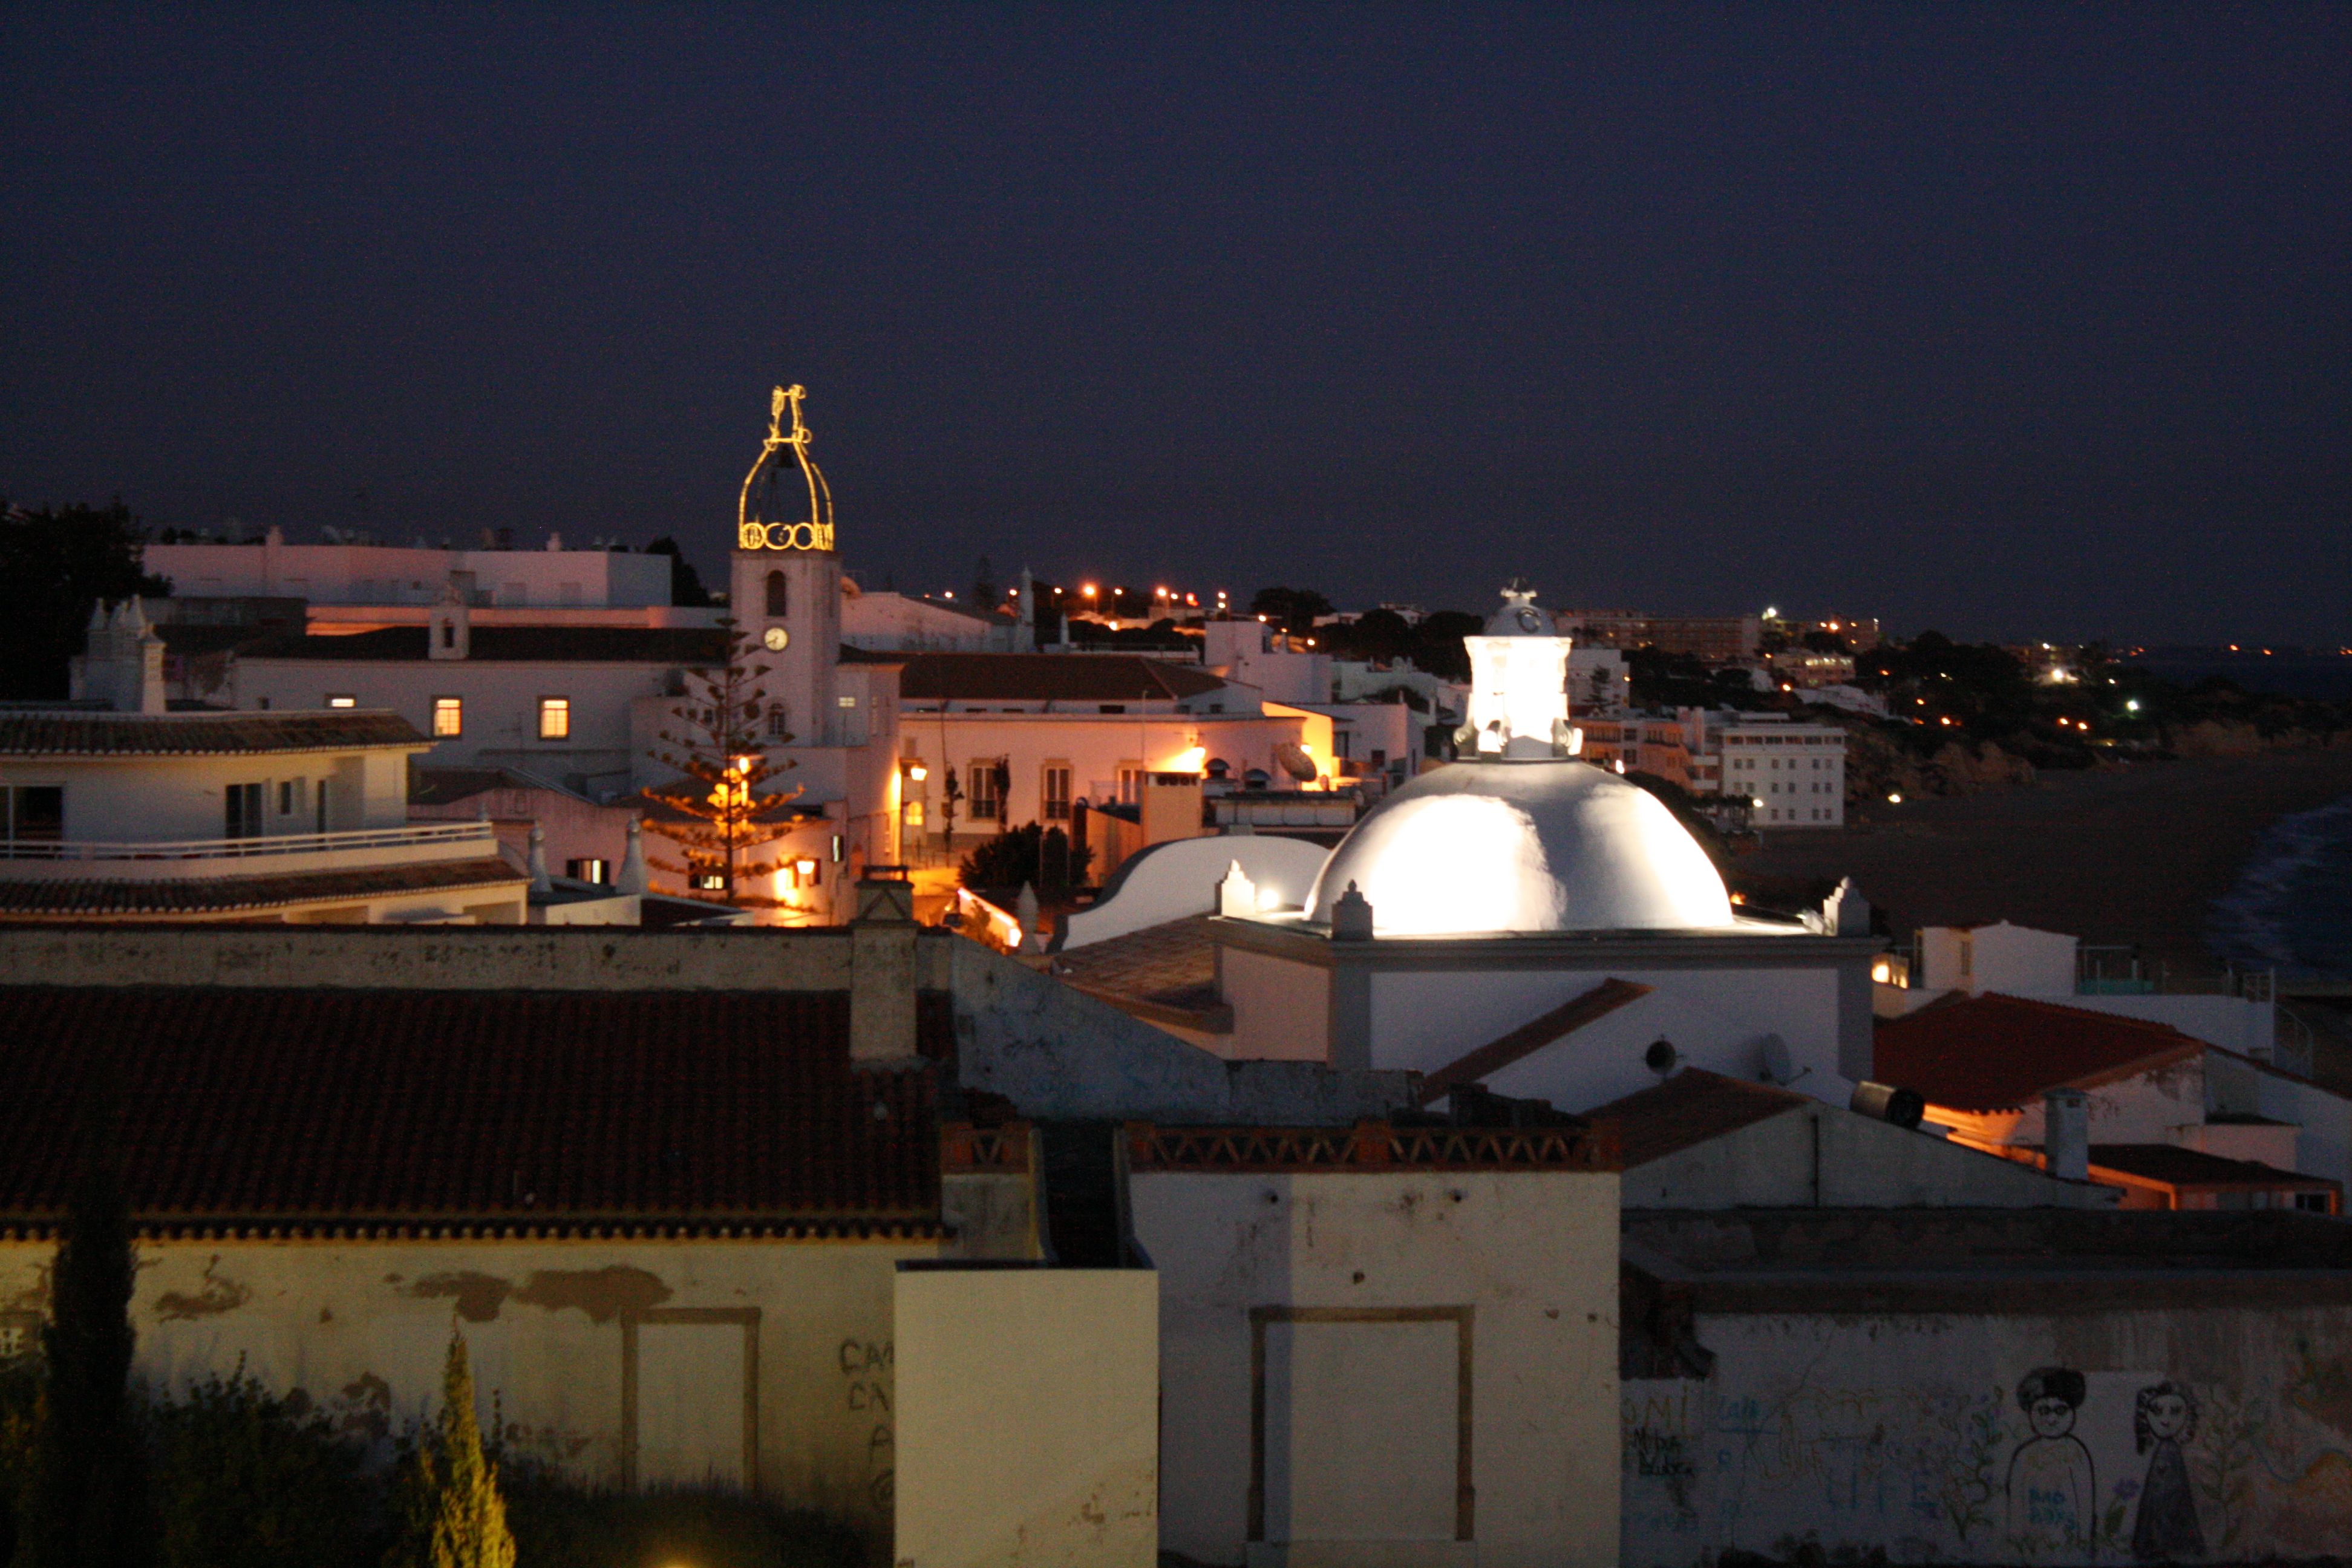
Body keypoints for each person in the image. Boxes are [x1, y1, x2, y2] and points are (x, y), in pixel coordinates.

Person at [2008, 1367, 2097, 1558]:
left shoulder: (2076, 1452)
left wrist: (2084, 1538)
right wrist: (2016, 1540)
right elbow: (2016, 1499)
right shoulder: (2024, 1455)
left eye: (2060, 1411)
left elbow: (2085, 1498)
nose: (2051, 1419)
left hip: (2068, 1542)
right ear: (2031, 1412)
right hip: (2033, 1544)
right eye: (2043, 1411)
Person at [2131, 1380, 2205, 1561]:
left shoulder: (2171, 1452)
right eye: (2157, 1412)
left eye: (2175, 1412)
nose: (2165, 1420)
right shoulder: (2165, 1451)